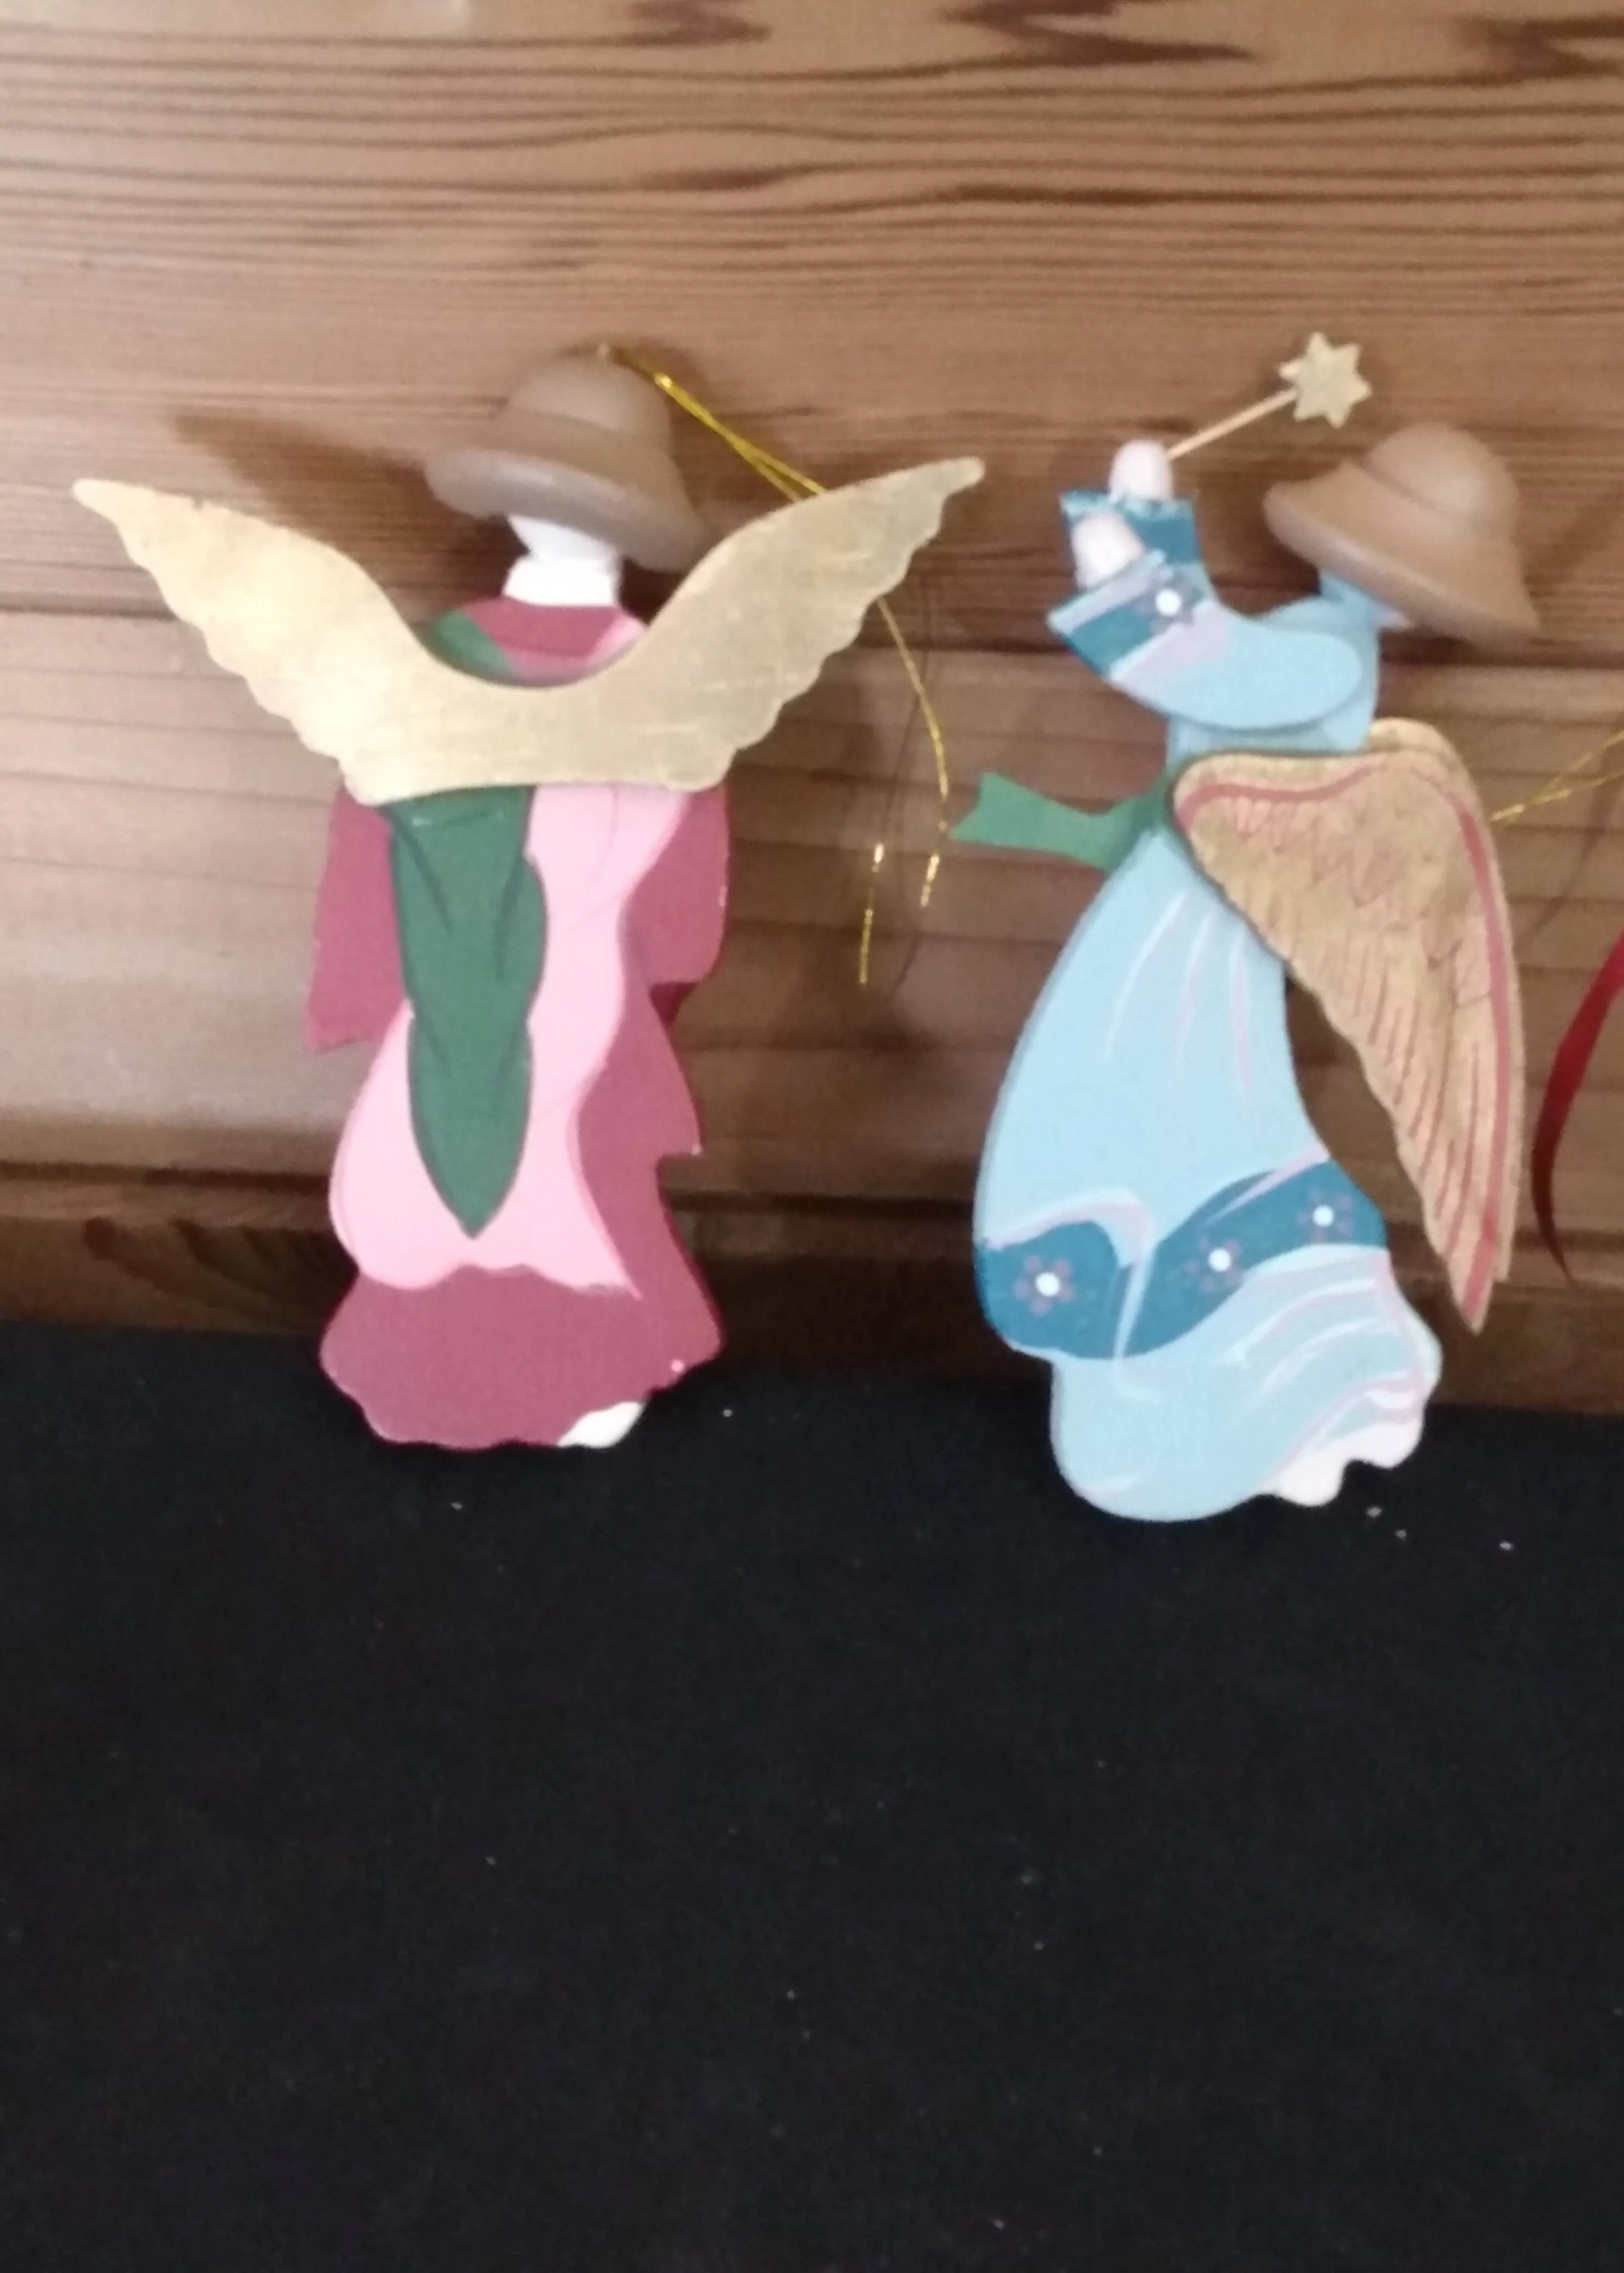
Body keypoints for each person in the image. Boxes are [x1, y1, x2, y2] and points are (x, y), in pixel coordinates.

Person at [957, 425, 1539, 1520]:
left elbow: (1201, 664)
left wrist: (1122, 569)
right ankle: (1257, 1391)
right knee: (1160, 1105)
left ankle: (1296, 1393)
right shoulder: (1321, 643)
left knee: (1170, 1105)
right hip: (1184, 900)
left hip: (1201, 919)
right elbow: (1210, 669)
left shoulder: (1329, 654)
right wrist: (1150, 530)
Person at [307, 354, 728, 1450]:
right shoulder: (439, 660)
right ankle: (419, 1366)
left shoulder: (665, 680)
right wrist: (369, 971)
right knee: (429, 1170)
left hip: (589, 980)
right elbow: (375, 814)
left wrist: (660, 966)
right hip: (448, 979)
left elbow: (686, 850)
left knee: (577, 1181)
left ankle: (592, 1366)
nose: (567, 522)